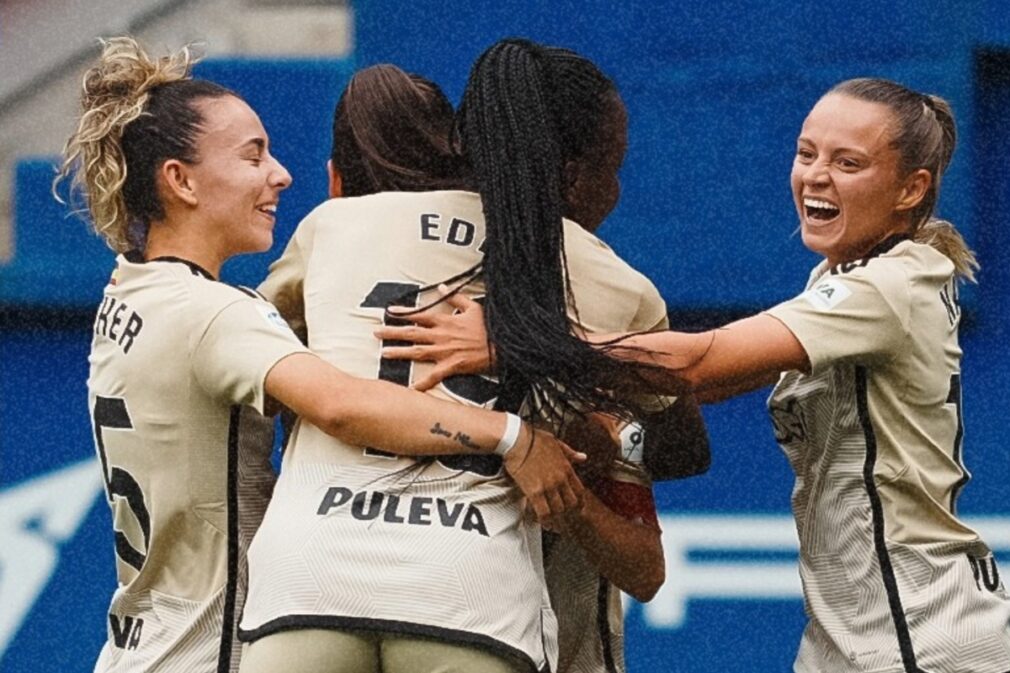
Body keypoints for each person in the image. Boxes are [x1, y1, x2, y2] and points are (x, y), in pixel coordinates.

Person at [384, 78, 1010, 673]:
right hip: (850, 634)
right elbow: (703, 385)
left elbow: (696, 361)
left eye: (849, 163)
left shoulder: (890, 286)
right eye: (806, 153)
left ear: (910, 189)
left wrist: (513, 343)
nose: (816, 175)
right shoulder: (840, 280)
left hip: (924, 634)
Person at [57, 38, 583, 673]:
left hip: (134, 652)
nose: (281, 174)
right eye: (253, 156)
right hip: (204, 656)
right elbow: (341, 403)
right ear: (180, 180)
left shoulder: (129, 293)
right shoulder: (217, 315)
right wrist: (510, 436)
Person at [239, 50, 705, 673]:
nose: (617, 190)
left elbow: (258, 364)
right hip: (476, 598)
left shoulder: (335, 227)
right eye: (612, 169)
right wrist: (582, 406)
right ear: (571, 177)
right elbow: (684, 448)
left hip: (307, 579)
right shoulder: (612, 280)